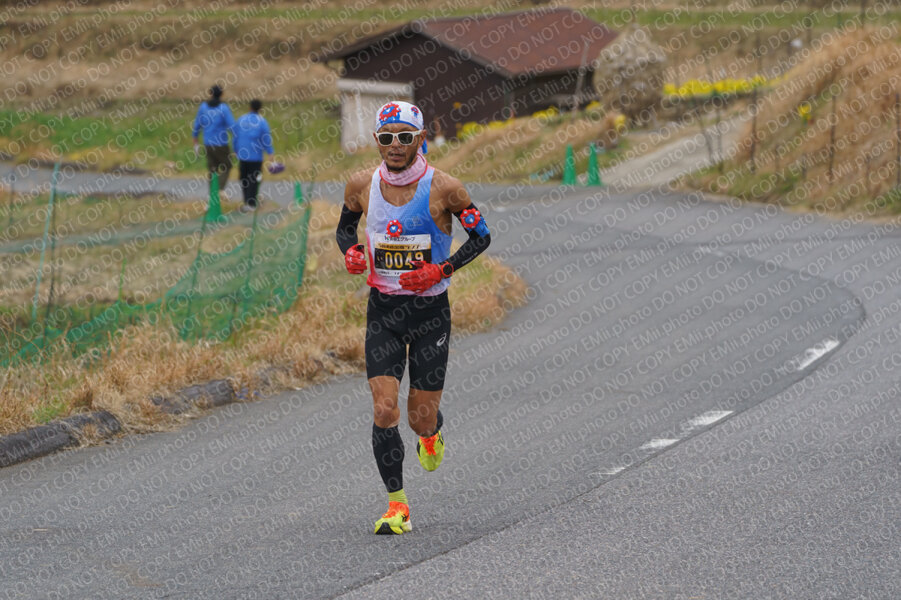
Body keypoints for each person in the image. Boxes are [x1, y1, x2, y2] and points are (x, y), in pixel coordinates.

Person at [336, 101, 492, 535]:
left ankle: (431, 433)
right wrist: (350, 251)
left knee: (418, 417)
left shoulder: (445, 187)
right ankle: (397, 506)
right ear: (377, 140)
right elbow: (345, 229)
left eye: (405, 137)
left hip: (430, 314)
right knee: (384, 408)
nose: (395, 145)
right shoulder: (360, 185)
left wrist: (442, 270)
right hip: (384, 311)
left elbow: (481, 235)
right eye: (387, 137)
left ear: (420, 139)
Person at [192, 84, 237, 192]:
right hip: (221, 143)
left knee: (212, 169)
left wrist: (195, 142)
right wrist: (236, 143)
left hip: (208, 143)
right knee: (227, 166)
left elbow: (197, 125)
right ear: (221, 94)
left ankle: (212, 193)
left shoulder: (203, 107)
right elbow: (232, 127)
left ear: (210, 93)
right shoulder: (223, 108)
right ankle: (220, 189)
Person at [233, 99, 275, 211]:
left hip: (242, 155)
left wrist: (235, 149)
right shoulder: (262, 122)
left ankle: (246, 200)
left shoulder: (241, 119)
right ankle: (251, 203)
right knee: (254, 179)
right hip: (255, 157)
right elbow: (266, 139)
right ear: (260, 109)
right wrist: (270, 153)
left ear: (249, 107)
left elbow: (235, 136)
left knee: (244, 178)